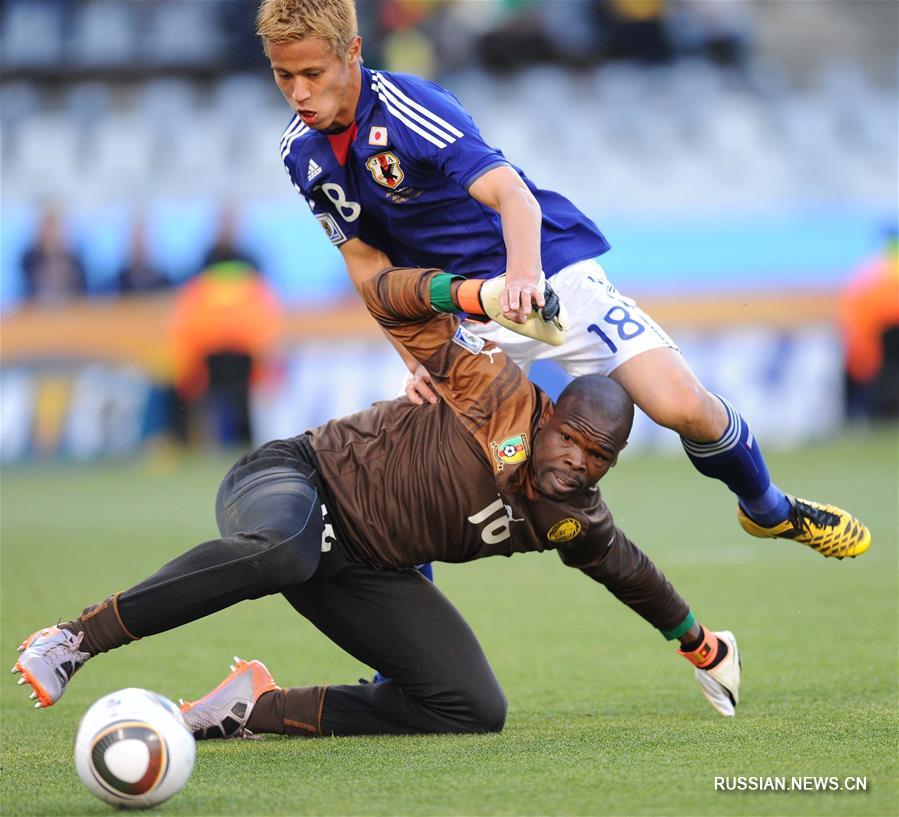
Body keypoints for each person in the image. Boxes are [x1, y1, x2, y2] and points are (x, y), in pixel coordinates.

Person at [12, 267, 741, 739]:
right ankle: (77, 640)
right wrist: (470, 296)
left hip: (362, 568)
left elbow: (633, 574)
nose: (578, 463)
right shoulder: (491, 387)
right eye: (572, 440)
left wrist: (700, 643)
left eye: (599, 457)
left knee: (470, 708)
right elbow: (387, 293)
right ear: (547, 414)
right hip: (294, 480)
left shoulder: (572, 515)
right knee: (286, 548)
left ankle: (250, 708)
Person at [259, 0, 870, 562]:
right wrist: (420, 352)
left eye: (313, 73)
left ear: (354, 52)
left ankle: (770, 510)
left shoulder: (409, 110)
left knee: (683, 406)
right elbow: (366, 264)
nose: (299, 92)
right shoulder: (300, 153)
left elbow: (512, 196)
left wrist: (524, 279)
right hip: (464, 317)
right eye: (285, 76)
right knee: (416, 480)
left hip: (546, 277)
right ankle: (402, 668)